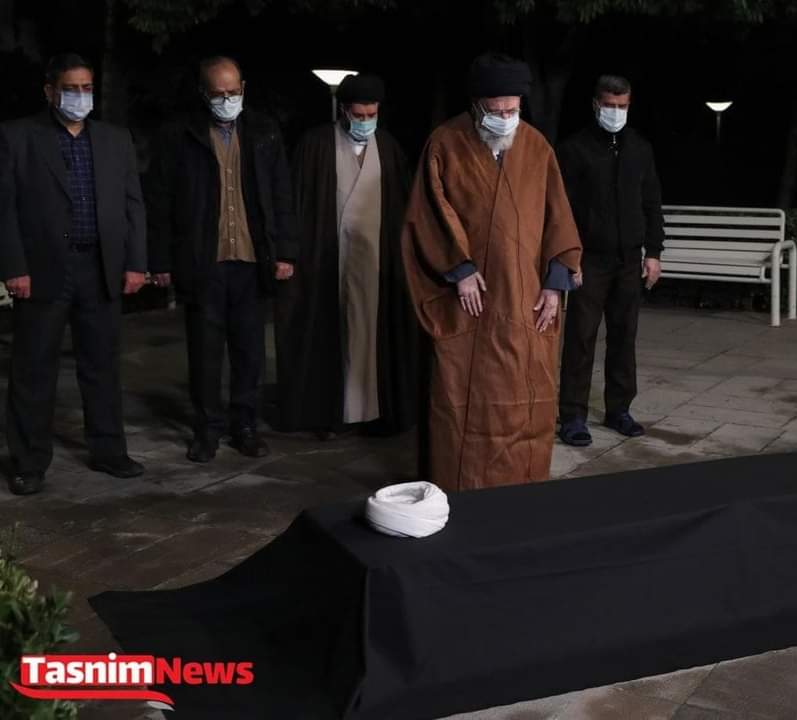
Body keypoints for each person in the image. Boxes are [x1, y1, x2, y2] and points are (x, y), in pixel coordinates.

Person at [401, 52, 582, 491]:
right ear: (476, 105)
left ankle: (522, 488)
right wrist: (459, 268)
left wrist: (555, 283)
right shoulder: (445, 143)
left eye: (512, 110)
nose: (504, 119)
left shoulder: (536, 147)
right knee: (463, 399)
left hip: (525, 301)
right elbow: (428, 213)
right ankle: (459, 487)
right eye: (496, 111)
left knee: (524, 397)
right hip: (471, 301)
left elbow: (559, 216)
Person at [0, 53, 148, 496]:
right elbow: (4, 208)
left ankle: (109, 450)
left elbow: (133, 204)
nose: (80, 96)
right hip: (43, 270)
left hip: (100, 268)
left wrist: (135, 262)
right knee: (33, 370)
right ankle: (28, 462)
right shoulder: (17, 136)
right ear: (50, 91)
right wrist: (14, 268)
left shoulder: (114, 139)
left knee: (102, 365)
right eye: (71, 88)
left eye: (87, 88)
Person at [147, 56, 297, 463]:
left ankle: (245, 426)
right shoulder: (179, 134)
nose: (227, 99)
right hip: (203, 261)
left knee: (250, 352)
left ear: (243, 88)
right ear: (203, 93)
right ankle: (207, 429)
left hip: (251, 260)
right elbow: (160, 200)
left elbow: (281, 193)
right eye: (218, 93)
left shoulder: (263, 131)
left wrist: (286, 251)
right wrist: (160, 260)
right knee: (205, 352)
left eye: (233, 92)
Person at [275, 73, 417, 439]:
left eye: (372, 115)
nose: (365, 121)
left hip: (376, 263)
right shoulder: (316, 145)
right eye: (359, 115)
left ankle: (374, 412)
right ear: (343, 111)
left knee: (372, 333)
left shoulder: (389, 148)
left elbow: (405, 206)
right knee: (329, 332)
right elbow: (295, 202)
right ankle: (330, 413)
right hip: (326, 259)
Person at [556, 74, 664, 447]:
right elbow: (563, 210)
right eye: (609, 105)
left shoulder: (640, 148)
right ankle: (572, 416)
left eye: (622, 106)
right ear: (595, 104)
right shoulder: (574, 149)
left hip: (629, 260)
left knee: (624, 336)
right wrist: (570, 257)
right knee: (581, 337)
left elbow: (651, 203)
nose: (615, 112)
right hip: (589, 260)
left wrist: (654, 253)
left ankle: (619, 409)